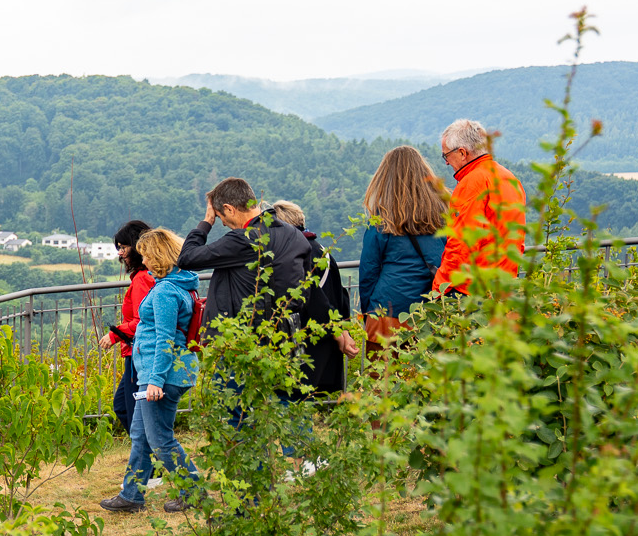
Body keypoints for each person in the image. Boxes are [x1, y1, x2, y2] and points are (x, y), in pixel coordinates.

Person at [100, 230, 200, 514]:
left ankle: (193, 492)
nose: (142, 260)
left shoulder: (166, 291)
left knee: (160, 439)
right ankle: (131, 495)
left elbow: (165, 339)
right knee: (142, 435)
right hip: (163, 371)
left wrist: (155, 380)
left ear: (158, 256)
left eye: (145, 255)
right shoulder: (179, 284)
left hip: (161, 375)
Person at [177, 178, 312, 328]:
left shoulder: (244, 239)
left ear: (229, 209)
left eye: (220, 217)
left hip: (248, 332)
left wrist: (207, 222)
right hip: (286, 328)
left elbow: (187, 258)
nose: (223, 223)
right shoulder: (294, 234)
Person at [357, 145, 450, 350]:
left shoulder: (382, 220)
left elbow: (368, 271)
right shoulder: (444, 216)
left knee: (382, 370)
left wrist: (368, 312)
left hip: (386, 312)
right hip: (430, 314)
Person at [266, 200, 358, 395]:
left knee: (299, 394)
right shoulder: (321, 250)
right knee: (322, 397)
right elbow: (340, 293)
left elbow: (312, 297)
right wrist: (342, 329)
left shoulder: (294, 254)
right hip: (328, 336)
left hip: (306, 336)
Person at [432, 118, 527, 296]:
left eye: (446, 155)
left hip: (471, 290)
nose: (446, 162)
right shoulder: (509, 178)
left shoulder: (471, 184)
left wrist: (439, 289)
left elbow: (462, 245)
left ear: (462, 153)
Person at [97, 220, 156, 434]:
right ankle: (144, 449)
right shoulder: (148, 276)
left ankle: (144, 452)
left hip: (138, 352)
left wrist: (114, 335)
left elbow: (143, 320)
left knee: (132, 412)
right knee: (123, 406)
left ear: (138, 247)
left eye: (123, 247)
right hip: (137, 351)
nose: (120, 253)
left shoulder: (141, 280)